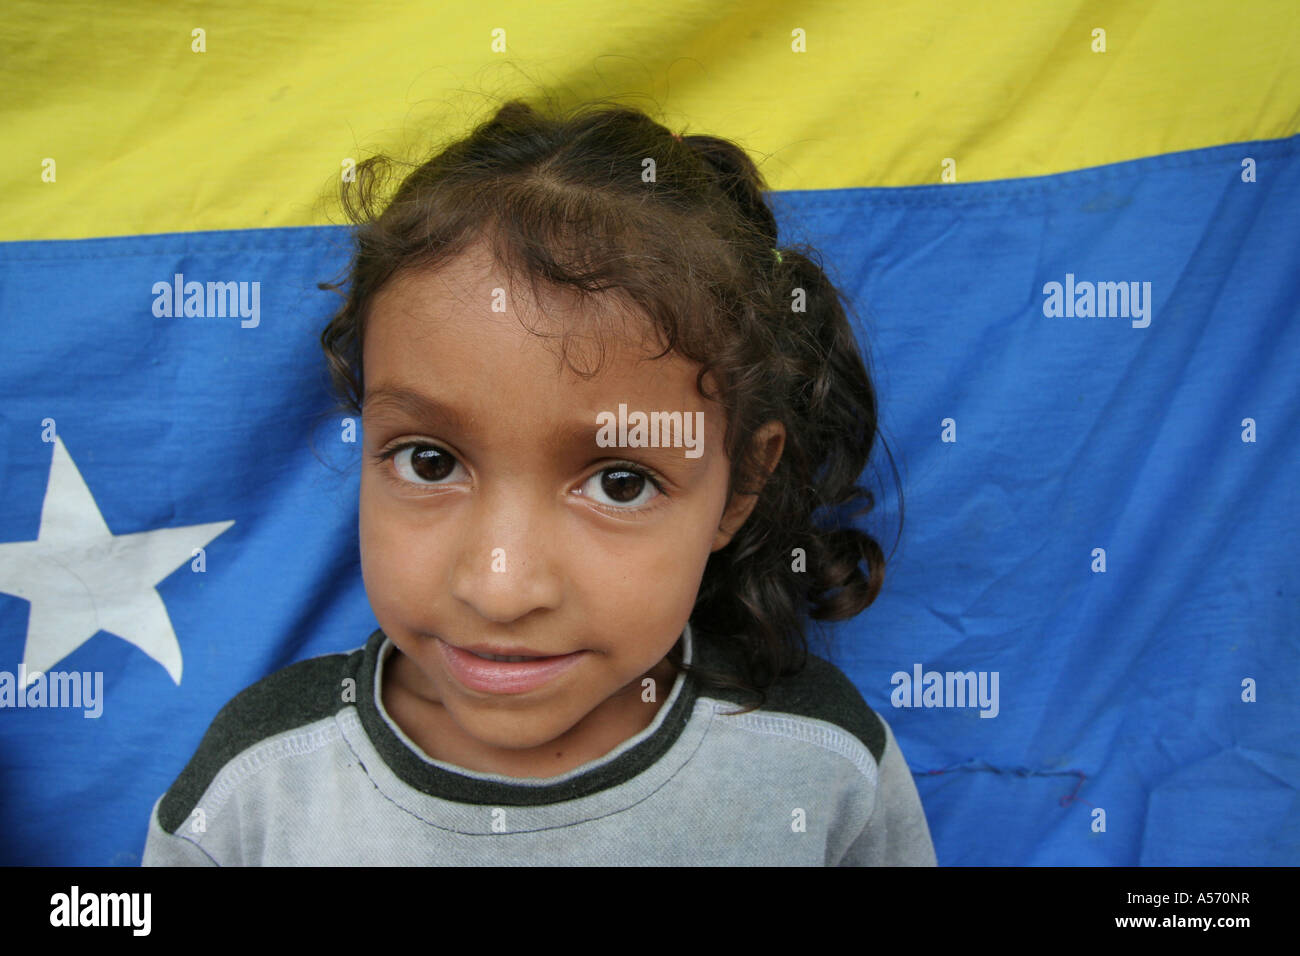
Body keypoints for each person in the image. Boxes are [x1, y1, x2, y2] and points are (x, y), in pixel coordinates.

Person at [141, 96, 937, 866]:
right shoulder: (257, 791)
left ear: (738, 488)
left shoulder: (823, 770)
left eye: (622, 482)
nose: (502, 589)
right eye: (429, 462)